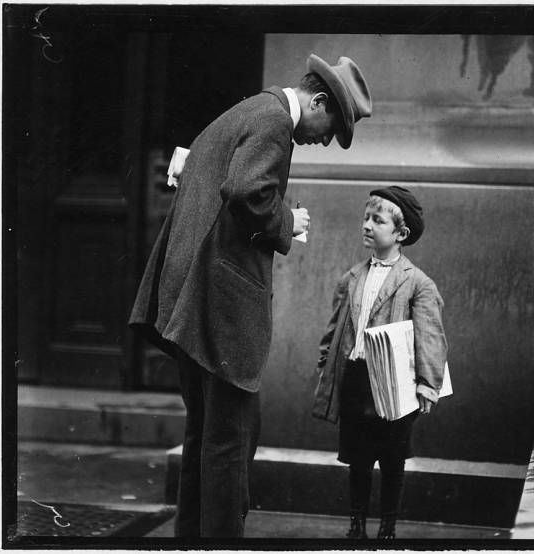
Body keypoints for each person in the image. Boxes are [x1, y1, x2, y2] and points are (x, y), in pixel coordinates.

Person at [128, 54, 372, 538]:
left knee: (205, 437)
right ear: (318, 100)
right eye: (332, 127)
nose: (324, 139)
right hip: (221, 310)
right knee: (230, 443)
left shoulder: (246, 112)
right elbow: (245, 190)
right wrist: (287, 222)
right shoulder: (274, 123)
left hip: (190, 302)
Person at [312, 186, 449, 539]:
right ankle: (356, 524)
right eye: (366, 218)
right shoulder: (352, 277)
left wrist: (427, 384)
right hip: (356, 380)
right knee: (358, 459)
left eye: (378, 220)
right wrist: (326, 363)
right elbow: (336, 328)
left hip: (394, 385)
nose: (368, 225)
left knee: (392, 460)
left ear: (401, 234)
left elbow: (430, 337)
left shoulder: (417, 283)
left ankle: (387, 528)